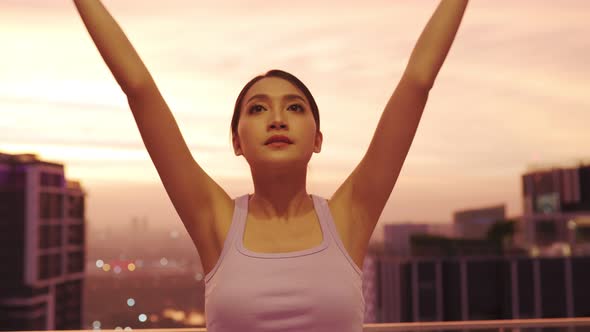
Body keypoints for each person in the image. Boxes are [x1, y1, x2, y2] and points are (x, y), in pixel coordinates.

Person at [73, 1, 468, 331]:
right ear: (236, 141)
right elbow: (139, 89)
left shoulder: (349, 217)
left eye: (294, 108)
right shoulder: (216, 221)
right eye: (258, 108)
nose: (277, 119)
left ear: (317, 139)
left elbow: (418, 81)